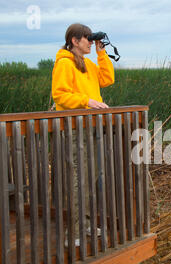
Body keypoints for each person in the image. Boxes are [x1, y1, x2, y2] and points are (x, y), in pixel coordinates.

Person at [52, 23, 115, 247]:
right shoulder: (64, 64)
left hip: (91, 126)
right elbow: (59, 94)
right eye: (87, 39)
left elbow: (107, 79)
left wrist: (101, 52)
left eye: (91, 38)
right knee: (78, 177)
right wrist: (86, 101)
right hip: (74, 127)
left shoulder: (88, 63)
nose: (90, 41)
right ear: (74, 41)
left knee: (92, 174)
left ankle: (86, 223)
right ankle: (75, 232)